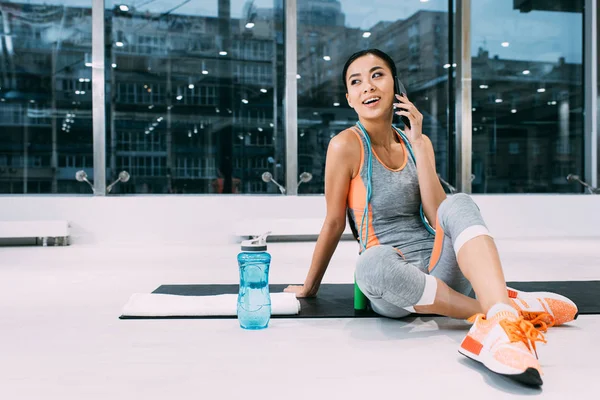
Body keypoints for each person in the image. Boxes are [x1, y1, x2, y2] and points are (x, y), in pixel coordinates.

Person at [284, 49, 578, 387]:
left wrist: (420, 145)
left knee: (460, 201)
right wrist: (310, 287)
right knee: (370, 263)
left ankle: (496, 321)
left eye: (377, 75)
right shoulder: (345, 146)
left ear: (396, 87)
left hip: (441, 267)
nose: (368, 86)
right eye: (356, 81)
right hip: (395, 284)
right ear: (349, 98)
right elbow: (334, 222)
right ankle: (499, 309)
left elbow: (439, 216)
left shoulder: (415, 143)